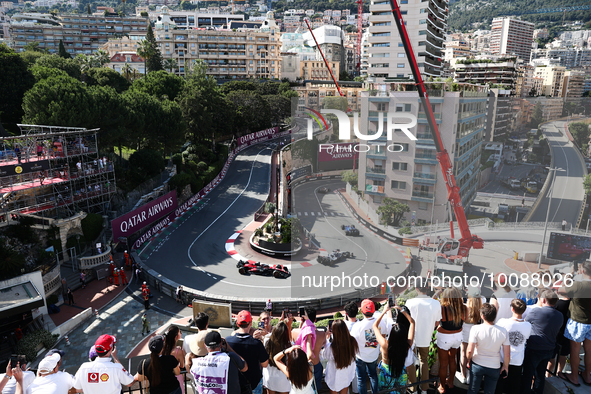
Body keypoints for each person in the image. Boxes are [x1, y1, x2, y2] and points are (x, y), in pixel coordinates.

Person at [520, 290, 564, 394]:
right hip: (549, 350)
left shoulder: (536, 312)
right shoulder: (560, 315)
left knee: (527, 375)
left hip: (534, 349)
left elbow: (525, 323)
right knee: (540, 375)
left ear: (543, 299)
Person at [466, 304, 510, 394]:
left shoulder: (475, 329)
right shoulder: (503, 331)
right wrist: (505, 366)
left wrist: (468, 359)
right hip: (494, 366)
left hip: (477, 363)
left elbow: (470, 350)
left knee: (473, 390)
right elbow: (507, 354)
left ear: (482, 316)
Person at [559, 262, 591, 386]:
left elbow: (561, 290)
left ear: (582, 271)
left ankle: (574, 377)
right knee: (589, 350)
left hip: (578, 321)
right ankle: (587, 376)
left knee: (575, 350)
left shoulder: (579, 285)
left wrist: (567, 277)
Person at [406, 282, 442, 390]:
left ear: (417, 288)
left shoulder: (409, 302)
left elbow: (406, 321)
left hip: (411, 338)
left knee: (410, 361)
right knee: (424, 361)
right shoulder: (436, 304)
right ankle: (424, 388)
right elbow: (437, 323)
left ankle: (413, 388)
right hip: (426, 337)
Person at [225, 310, 269, 394]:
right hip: (253, 384)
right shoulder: (256, 343)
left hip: (235, 385)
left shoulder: (227, 341)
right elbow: (265, 364)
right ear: (250, 323)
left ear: (237, 324)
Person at [373, 305, 414, 394]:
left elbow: (375, 326)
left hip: (386, 374)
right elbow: (412, 322)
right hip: (400, 372)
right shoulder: (407, 345)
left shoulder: (385, 344)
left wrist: (384, 311)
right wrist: (401, 309)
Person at [350, 299, 388, 394]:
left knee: (361, 379)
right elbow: (382, 338)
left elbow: (352, 342)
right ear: (374, 311)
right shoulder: (381, 323)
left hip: (360, 356)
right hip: (374, 355)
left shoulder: (357, 326)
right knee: (373, 376)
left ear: (361, 311)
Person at [495, 299, 531, 394]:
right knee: (514, 387)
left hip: (502, 359)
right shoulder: (528, 325)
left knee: (499, 386)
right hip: (518, 360)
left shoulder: (503, 322)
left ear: (512, 309)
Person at [436, 287, 466, 393]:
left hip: (444, 338)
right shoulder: (464, 308)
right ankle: (451, 382)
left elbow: (436, 323)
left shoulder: (443, 308)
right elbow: (464, 320)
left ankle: (442, 387)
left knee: (443, 364)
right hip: (458, 337)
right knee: (452, 359)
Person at [320, 319, 359, 394]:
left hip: (334, 375)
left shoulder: (332, 347)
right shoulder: (353, 341)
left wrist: (327, 338)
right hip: (347, 373)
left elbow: (325, 356)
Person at [458, 287, 484, 384]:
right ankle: (471, 376)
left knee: (463, 353)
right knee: (473, 354)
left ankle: (463, 375)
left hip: (465, 333)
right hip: (476, 333)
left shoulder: (465, 307)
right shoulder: (481, 309)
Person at [294, 307, 324, 389]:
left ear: (302, 319)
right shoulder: (322, 334)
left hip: (301, 365)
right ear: (315, 319)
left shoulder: (294, 332)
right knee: (315, 389)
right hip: (315, 364)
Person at [264, 321, 292, 394]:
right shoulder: (288, 346)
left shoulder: (267, 342)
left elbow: (268, 336)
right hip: (283, 379)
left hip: (270, 377)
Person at [164, 326, 187, 394]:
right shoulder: (178, 351)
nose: (181, 333)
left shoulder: (163, 349)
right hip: (176, 379)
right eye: (180, 332)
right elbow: (182, 366)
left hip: (165, 379)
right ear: (176, 337)